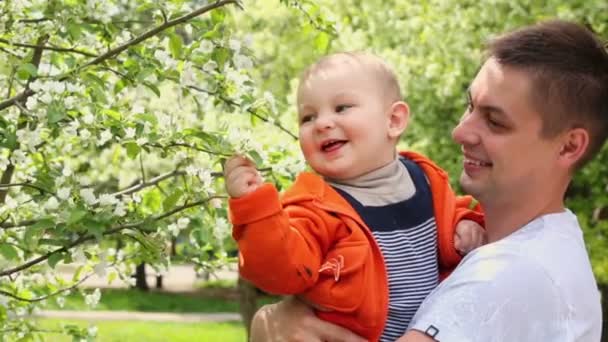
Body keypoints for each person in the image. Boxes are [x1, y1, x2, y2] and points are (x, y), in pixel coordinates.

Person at [249, 20, 607, 342]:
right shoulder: (552, 242)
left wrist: (266, 326)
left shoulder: (502, 278)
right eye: (470, 107)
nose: (460, 131)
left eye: (495, 121)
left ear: (568, 146)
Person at [223, 52, 485, 341]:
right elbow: (279, 272)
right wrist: (255, 209)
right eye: (308, 117)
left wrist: (464, 223)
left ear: (394, 120)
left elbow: (449, 213)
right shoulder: (313, 206)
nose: (322, 123)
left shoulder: (425, 180)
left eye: (341, 107)